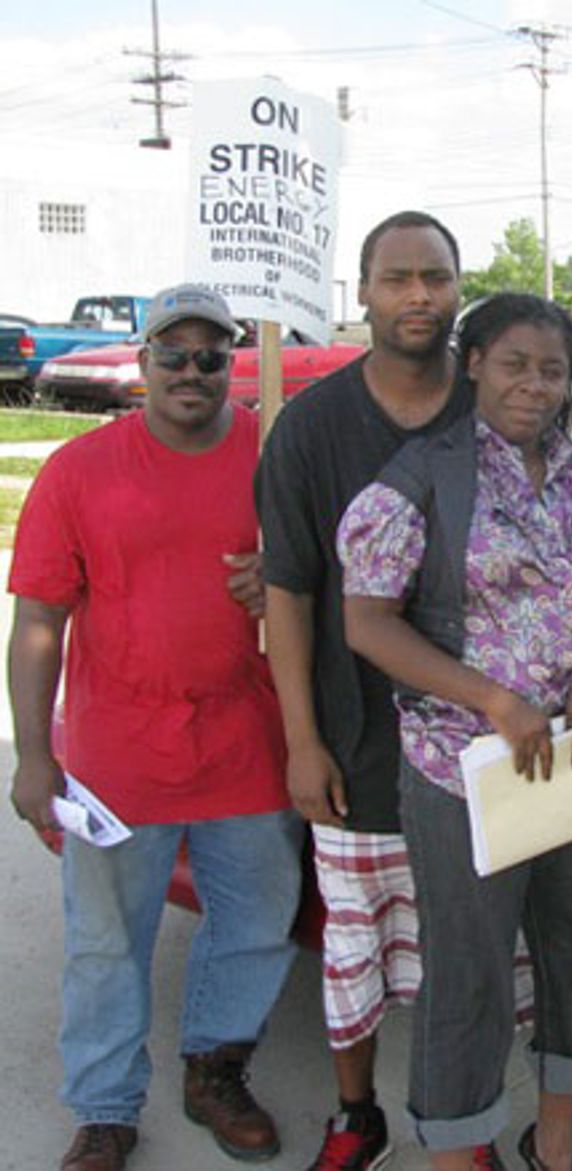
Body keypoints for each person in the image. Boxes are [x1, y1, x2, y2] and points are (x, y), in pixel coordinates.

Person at [338, 292, 572, 1171]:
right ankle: (455, 1150)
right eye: (515, 363)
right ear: (473, 361)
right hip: (467, 769)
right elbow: (367, 620)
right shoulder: (424, 476)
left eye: (553, 369)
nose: (535, 384)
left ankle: (553, 1139)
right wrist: (492, 697)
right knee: (471, 969)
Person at [8, 284, 303, 1171]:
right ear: (141, 365)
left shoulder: (276, 453)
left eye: (210, 356)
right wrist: (32, 755)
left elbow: (338, 581)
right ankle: (104, 1107)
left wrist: (282, 577)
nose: (190, 371)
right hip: (117, 758)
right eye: (171, 354)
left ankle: (215, 1065)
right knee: (106, 944)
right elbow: (36, 621)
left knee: (257, 918)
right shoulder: (80, 471)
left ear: (232, 366)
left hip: (248, 746)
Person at [259, 210, 521, 1171]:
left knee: (476, 944)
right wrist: (302, 736)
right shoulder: (312, 427)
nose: (420, 295)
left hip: (482, 746)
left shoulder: (497, 409)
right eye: (399, 277)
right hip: (357, 736)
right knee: (354, 949)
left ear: (460, 289)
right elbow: (287, 589)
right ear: (361, 291)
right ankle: (355, 1113)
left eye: (438, 278)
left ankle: (466, 1119)